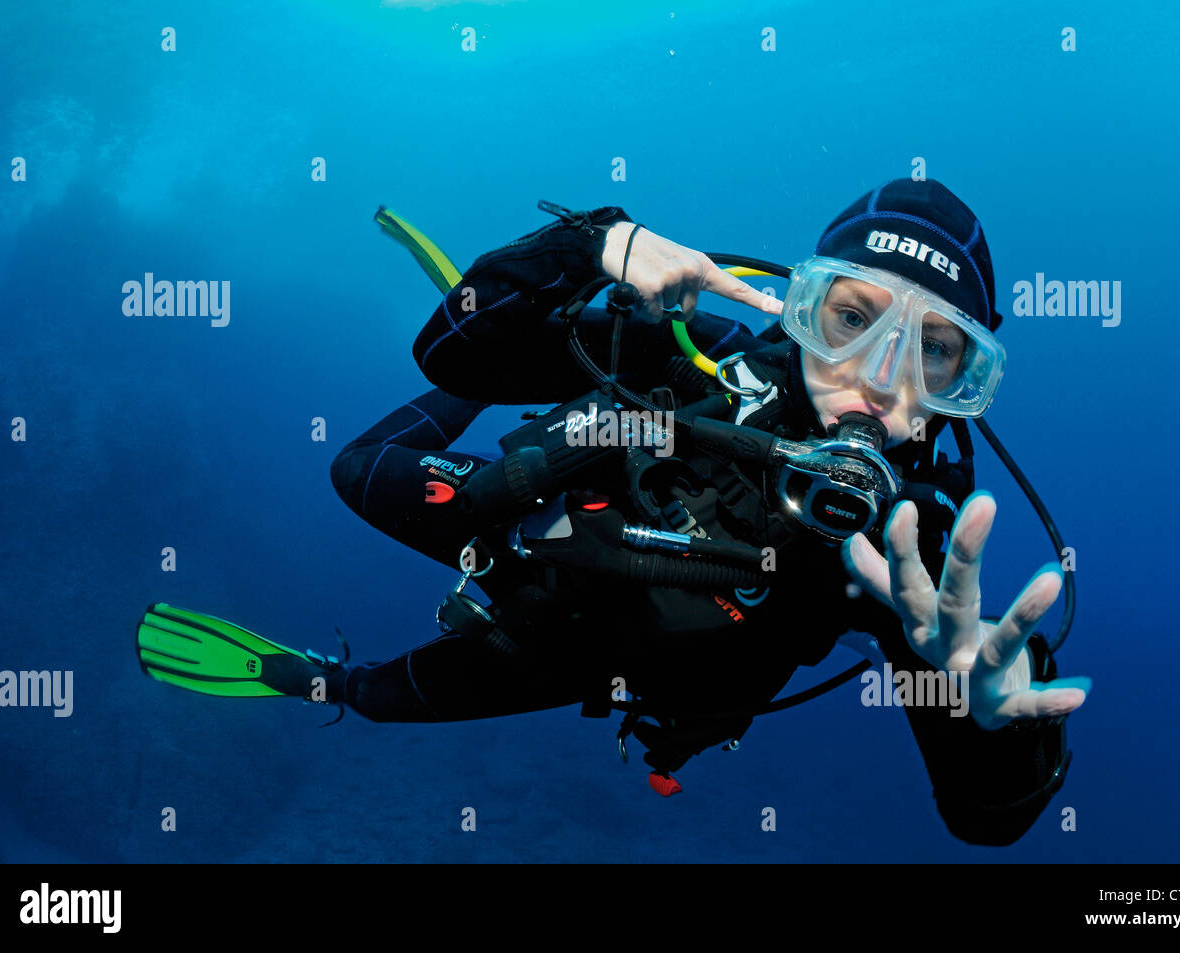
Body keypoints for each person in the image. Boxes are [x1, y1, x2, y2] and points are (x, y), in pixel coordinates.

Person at [136, 179, 1090, 846]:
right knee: (355, 467)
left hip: (586, 664)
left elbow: (984, 821)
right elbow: (444, 355)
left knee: (374, 700)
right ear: (798, 308)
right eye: (852, 318)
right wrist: (582, 248)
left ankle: (306, 678)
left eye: (933, 351)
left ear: (966, 388)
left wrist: (989, 720)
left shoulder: (909, 560)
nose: (879, 381)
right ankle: (530, 343)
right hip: (522, 554)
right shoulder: (692, 353)